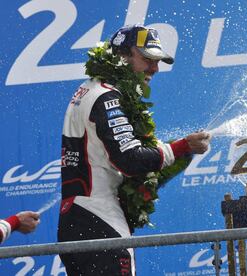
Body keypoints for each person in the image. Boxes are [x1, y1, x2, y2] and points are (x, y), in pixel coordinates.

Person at [58, 24, 211, 275]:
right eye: (147, 59)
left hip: (78, 217)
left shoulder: (90, 89)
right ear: (122, 55)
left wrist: (179, 153)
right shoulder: (105, 96)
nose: (155, 68)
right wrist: (182, 146)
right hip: (98, 221)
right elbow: (130, 160)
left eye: (157, 60)